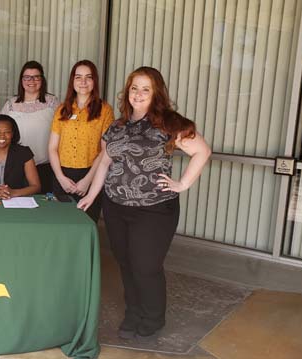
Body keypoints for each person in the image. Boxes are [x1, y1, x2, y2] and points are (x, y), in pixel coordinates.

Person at [77, 67, 212, 339]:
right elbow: (105, 161)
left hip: (154, 210)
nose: (138, 94)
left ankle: (152, 317)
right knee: (126, 262)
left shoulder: (169, 123)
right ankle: (133, 312)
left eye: (145, 89)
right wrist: (91, 196)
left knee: (145, 266)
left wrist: (182, 184)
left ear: (156, 93)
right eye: (134, 88)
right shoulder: (117, 126)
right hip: (115, 207)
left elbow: (202, 151)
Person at [48, 60, 114, 222]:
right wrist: (60, 177)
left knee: (86, 222)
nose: (83, 82)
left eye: (88, 77)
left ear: (94, 81)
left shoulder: (105, 110)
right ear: (72, 81)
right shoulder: (62, 109)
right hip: (62, 174)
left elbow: (106, 150)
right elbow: (52, 148)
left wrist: (88, 180)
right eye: (78, 77)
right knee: (60, 223)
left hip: (91, 173)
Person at [1, 61, 60, 193]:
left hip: (45, 166)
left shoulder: (52, 102)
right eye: (27, 77)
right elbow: (0, 132)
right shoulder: (11, 104)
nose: (31, 80)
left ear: (42, 79)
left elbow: (63, 131)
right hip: (16, 166)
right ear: (21, 80)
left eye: (36, 77)